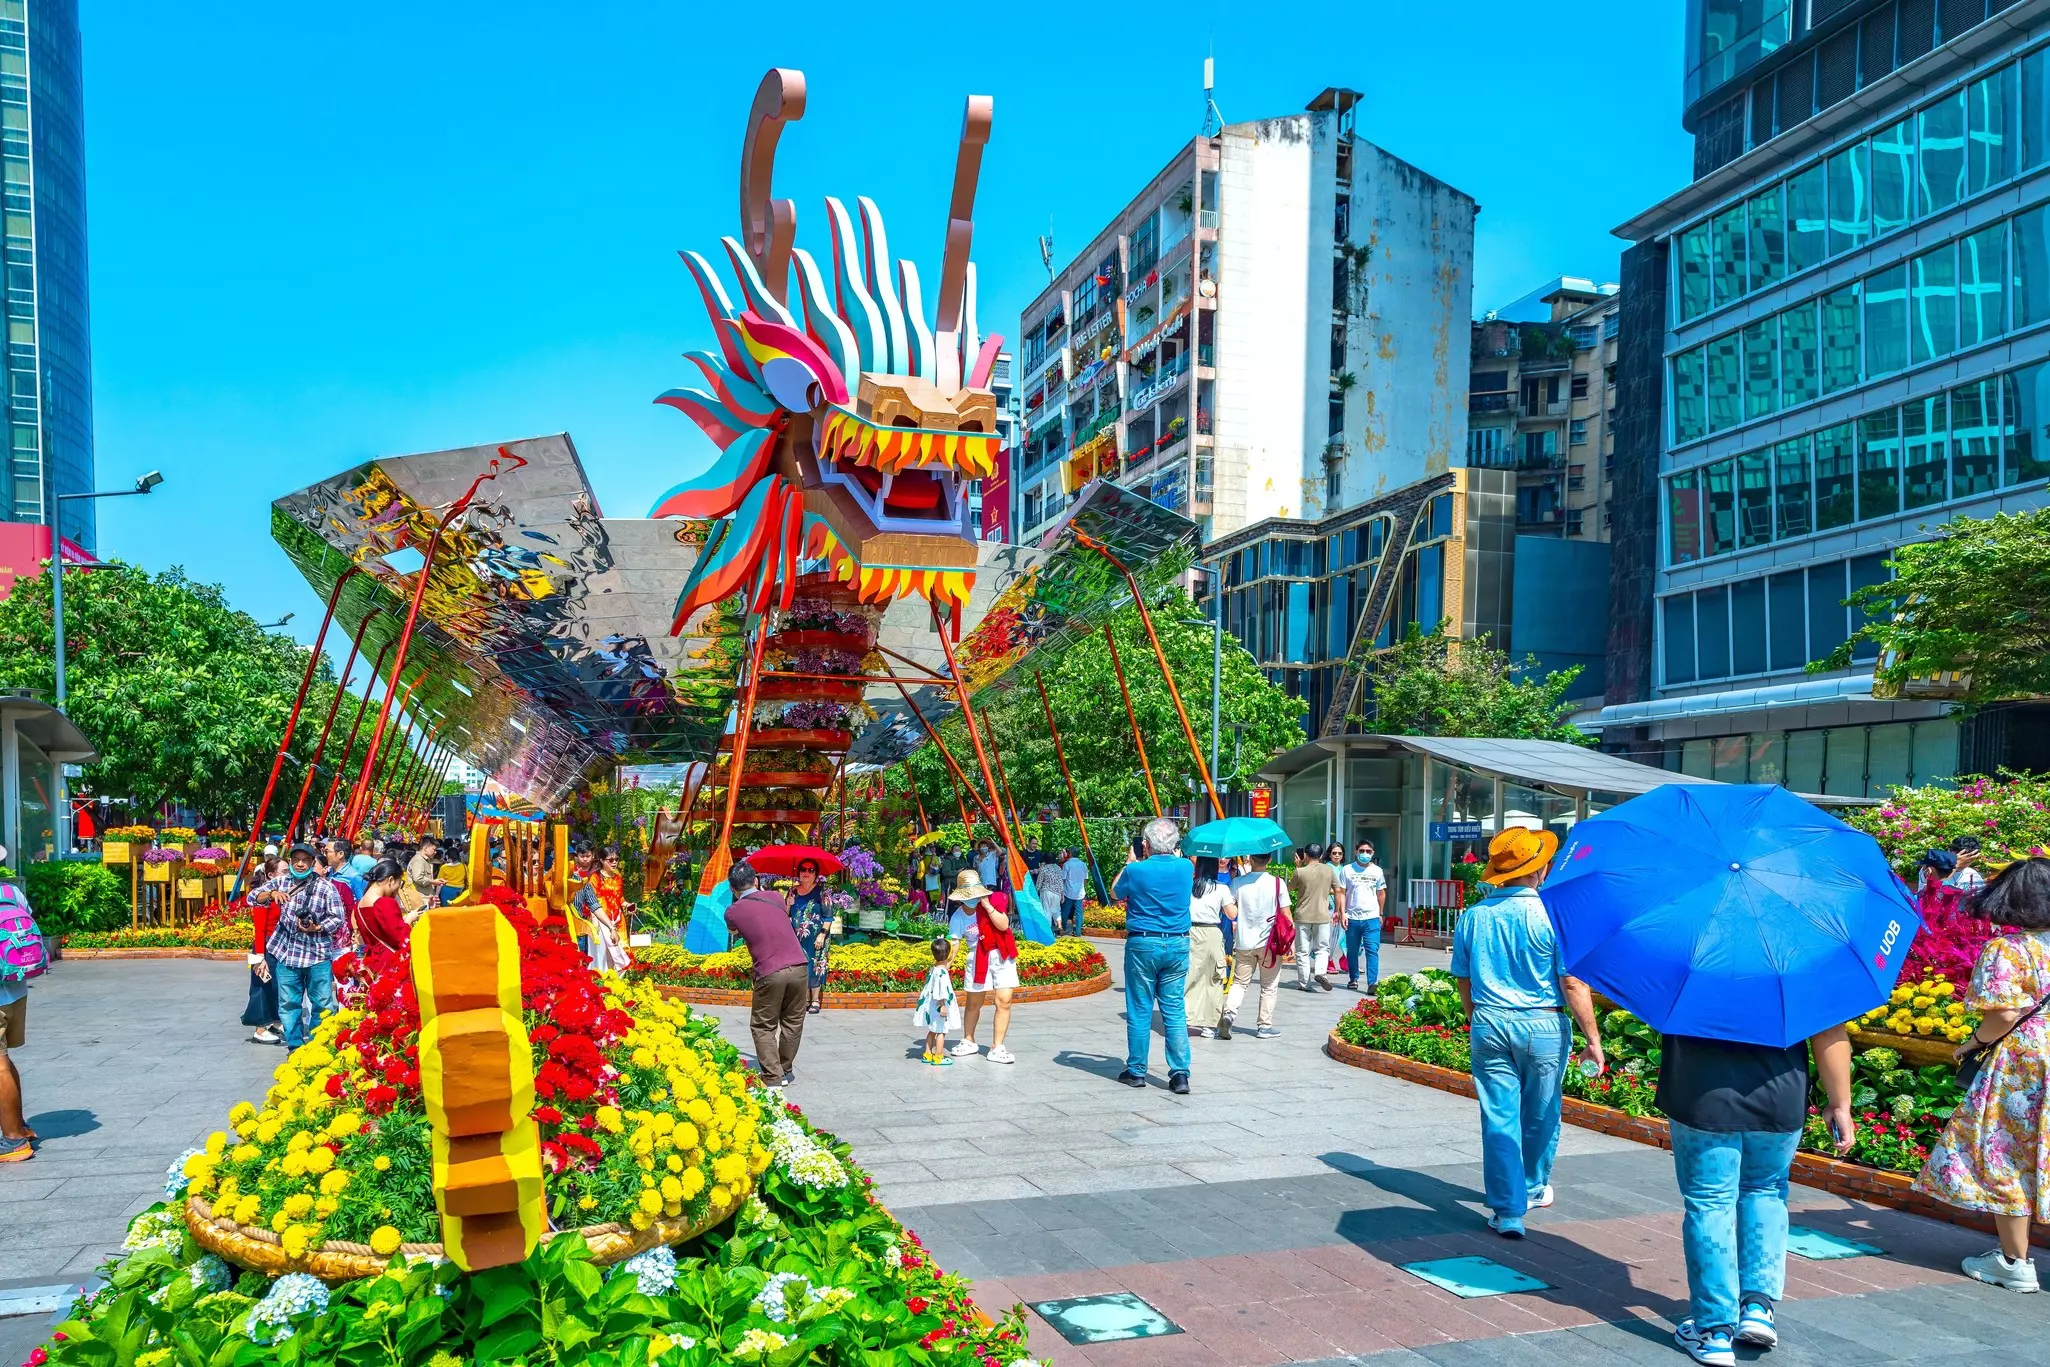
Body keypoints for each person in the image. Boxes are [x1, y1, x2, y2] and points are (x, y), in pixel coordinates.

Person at [1659, 1011, 1856, 1361]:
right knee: (1765, 1191)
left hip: (1702, 1093)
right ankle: (1757, 1308)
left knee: (1710, 1203)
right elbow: (1829, 1032)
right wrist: (1840, 1103)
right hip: (1778, 1097)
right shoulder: (1800, 957)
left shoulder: (1686, 955)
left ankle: (1713, 1331)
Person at [1450, 827, 1604, 1240]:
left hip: (1490, 1021)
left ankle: (1507, 1210)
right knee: (1541, 1112)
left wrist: (1475, 1016)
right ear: (1542, 870)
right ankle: (1534, 1186)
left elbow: (1463, 978)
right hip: (1543, 1023)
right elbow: (1572, 983)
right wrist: (1593, 1039)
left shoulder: (1474, 916)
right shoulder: (1554, 917)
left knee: (1498, 1117)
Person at [1915, 855, 2050, 1295]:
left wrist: (1975, 1041)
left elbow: (2005, 1013)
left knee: (2008, 1152)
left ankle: (2014, 1262)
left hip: (2026, 1063)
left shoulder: (2010, 949)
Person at [1114, 817, 1196, 1091]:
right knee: (1174, 1009)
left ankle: (1137, 1070)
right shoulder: (1185, 867)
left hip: (1143, 943)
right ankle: (1180, 1073)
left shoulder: (1136, 871)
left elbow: (1115, 892)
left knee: (1140, 1008)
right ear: (1174, 844)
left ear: (1145, 844)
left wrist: (1130, 861)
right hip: (1177, 943)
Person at [250, 844, 348, 1049]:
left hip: (317, 954)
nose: (301, 864)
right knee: (288, 1004)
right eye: (296, 860)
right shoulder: (280, 882)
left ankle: (317, 1045)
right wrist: (272, 894)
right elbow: (252, 898)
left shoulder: (326, 887)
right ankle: (294, 1046)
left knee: (322, 1004)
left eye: (305, 860)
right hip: (287, 953)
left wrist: (317, 927)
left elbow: (338, 918)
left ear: (313, 863)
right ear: (292, 862)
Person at [722, 862, 810, 1087]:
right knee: (792, 1022)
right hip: (799, 966)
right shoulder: (776, 897)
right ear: (756, 880)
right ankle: (785, 1070)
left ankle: (772, 1076)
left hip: (770, 970)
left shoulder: (732, 912)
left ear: (732, 889)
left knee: (763, 1026)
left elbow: (734, 930)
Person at [948, 869, 1018, 1064]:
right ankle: (969, 1040)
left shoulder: (993, 901)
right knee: (973, 1003)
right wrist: (945, 965)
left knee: (1003, 1001)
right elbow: (954, 942)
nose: (972, 899)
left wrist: (987, 906)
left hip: (1001, 956)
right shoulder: (958, 917)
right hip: (977, 958)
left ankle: (997, 1046)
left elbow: (1003, 925)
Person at [1224, 851, 1289, 1040]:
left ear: (1250, 859)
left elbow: (1231, 912)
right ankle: (1264, 1027)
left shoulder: (1237, 883)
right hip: (1271, 943)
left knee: (1239, 983)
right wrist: (1290, 942)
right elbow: (1285, 914)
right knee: (1269, 985)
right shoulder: (1278, 883)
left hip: (1244, 942)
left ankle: (1229, 1014)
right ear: (1269, 860)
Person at [0, 862, 40, 1163]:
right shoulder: (12, 892)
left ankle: (12, 1139)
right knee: (3, 1061)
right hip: (16, 990)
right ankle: (19, 1125)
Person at [1184, 856, 1236, 1038]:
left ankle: (1185, 1017)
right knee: (1213, 978)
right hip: (1212, 932)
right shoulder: (1221, 888)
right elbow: (1232, 914)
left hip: (1190, 932)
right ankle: (1208, 1025)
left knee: (1190, 975)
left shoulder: (1189, 886)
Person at [243, 855, 286, 1045]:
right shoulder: (263, 896)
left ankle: (273, 1021)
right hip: (264, 945)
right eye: (284, 872)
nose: (288, 875)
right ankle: (260, 1028)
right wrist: (260, 957)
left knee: (276, 985)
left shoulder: (284, 893)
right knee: (262, 985)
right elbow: (259, 929)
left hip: (276, 945)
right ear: (271, 875)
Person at [1340, 839, 1388, 991]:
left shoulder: (1377, 871)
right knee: (1352, 950)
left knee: (1372, 950)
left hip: (1371, 918)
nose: (1365, 854)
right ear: (1356, 852)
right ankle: (1353, 978)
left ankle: (1372, 982)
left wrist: (1380, 913)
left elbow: (1381, 893)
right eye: (1361, 851)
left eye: (1368, 851)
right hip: (1352, 917)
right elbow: (1341, 892)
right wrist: (1342, 913)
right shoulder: (1347, 870)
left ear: (1373, 853)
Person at [1292, 844, 1339, 993]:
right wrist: (1337, 910)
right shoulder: (1329, 870)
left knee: (1302, 951)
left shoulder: (1300, 871)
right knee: (1322, 948)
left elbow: (1289, 887)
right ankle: (1320, 972)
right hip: (1322, 915)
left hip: (1302, 916)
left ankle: (1305, 983)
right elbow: (1338, 890)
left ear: (1305, 855)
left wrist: (1298, 867)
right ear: (1321, 855)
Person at [787, 859, 832, 1014]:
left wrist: (822, 934)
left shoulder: (822, 893)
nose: (806, 873)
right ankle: (804, 999)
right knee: (801, 967)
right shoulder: (792, 891)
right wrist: (788, 903)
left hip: (816, 939)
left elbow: (828, 917)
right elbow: (786, 914)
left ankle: (815, 1000)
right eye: (803, 870)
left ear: (816, 874)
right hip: (796, 938)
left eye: (810, 870)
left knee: (816, 966)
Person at [352, 858, 417, 962]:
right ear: (391, 880)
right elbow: (400, 938)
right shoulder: (385, 903)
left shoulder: (359, 905)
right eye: (399, 883)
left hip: (372, 960)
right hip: (389, 962)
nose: (397, 889)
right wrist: (409, 920)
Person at [912, 936, 961, 1066]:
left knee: (932, 1030)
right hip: (939, 1006)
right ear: (948, 956)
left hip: (931, 1006)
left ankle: (927, 1053)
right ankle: (938, 1056)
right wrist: (943, 1006)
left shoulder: (934, 969)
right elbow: (941, 991)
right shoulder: (942, 974)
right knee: (941, 1031)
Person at [405, 837, 445, 912]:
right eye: (434, 849)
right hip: (420, 898)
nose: (435, 852)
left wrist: (435, 881)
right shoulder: (418, 860)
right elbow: (418, 878)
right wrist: (434, 882)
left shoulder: (425, 860)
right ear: (425, 848)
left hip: (425, 898)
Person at [1032, 852, 1065, 940]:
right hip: (1057, 892)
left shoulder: (1043, 869)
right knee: (1057, 909)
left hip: (1046, 891)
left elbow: (1039, 882)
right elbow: (1061, 881)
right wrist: (1062, 894)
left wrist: (1035, 891)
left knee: (1047, 911)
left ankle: (1048, 930)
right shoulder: (1058, 868)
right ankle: (1060, 925)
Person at [1060, 847, 1089, 937]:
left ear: (1070, 854)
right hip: (1080, 892)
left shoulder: (1067, 864)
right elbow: (1085, 879)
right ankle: (1078, 932)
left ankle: (1063, 928)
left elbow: (1063, 879)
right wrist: (1083, 888)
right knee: (1079, 913)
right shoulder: (1083, 864)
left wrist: (1062, 891)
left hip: (1068, 891)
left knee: (1065, 911)